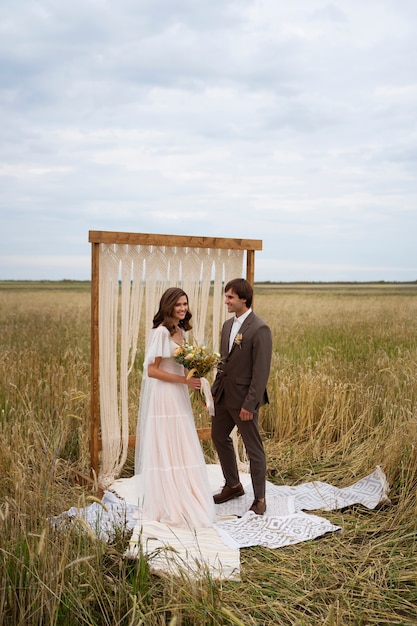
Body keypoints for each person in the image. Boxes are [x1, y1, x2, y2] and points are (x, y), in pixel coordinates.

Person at [134, 287, 216, 528]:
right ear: (168, 306)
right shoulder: (160, 332)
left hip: (179, 393)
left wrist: (198, 387)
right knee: (168, 442)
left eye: (185, 304)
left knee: (181, 441)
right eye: (178, 304)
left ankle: (184, 492)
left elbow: (183, 367)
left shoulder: (181, 331)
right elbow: (151, 370)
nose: (183, 308)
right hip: (164, 395)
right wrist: (183, 381)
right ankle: (168, 500)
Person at [211, 278, 272, 516]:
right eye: (226, 296)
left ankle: (260, 499)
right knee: (218, 436)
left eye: (230, 297)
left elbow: (261, 371)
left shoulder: (259, 328)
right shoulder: (227, 326)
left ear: (243, 299)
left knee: (253, 448)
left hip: (244, 400)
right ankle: (233, 485)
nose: (226, 301)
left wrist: (251, 403)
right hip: (224, 396)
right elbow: (222, 363)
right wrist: (215, 391)